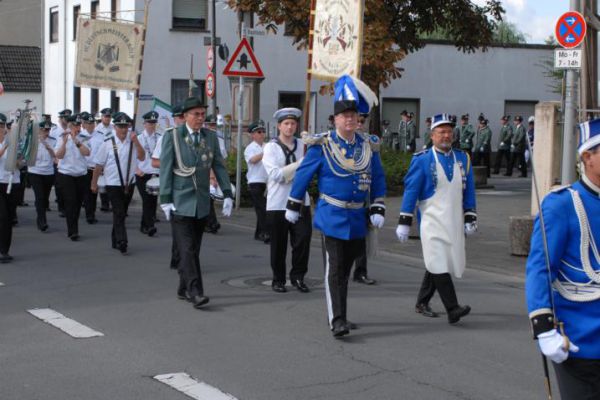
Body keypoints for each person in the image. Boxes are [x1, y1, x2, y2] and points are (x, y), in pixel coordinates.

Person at [286, 74, 386, 337]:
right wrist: (293, 204)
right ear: (335, 120)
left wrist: (377, 205)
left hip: (357, 218)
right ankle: (337, 320)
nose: (350, 120)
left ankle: (341, 313)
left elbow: (377, 177)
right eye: (344, 116)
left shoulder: (367, 147)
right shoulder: (323, 145)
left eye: (354, 116)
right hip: (332, 216)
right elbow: (304, 175)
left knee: (345, 271)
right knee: (335, 269)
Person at [525, 118, 600, 399]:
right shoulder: (562, 204)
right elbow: (540, 268)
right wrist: (543, 328)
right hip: (581, 338)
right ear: (586, 157)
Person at [396, 113, 475, 323]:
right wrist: (404, 220)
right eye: (441, 132)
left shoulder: (462, 158)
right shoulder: (422, 160)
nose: (446, 135)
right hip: (431, 220)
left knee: (440, 261)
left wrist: (470, 217)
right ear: (432, 135)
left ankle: (422, 301)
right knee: (438, 259)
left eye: (449, 131)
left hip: (454, 220)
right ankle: (452, 308)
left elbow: (469, 191)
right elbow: (411, 191)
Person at [159, 97, 233, 309]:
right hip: (180, 201)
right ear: (185, 117)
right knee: (187, 248)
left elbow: (218, 165)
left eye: (203, 114)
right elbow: (165, 168)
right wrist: (165, 199)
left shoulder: (209, 137)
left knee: (193, 249)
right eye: (196, 114)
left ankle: (184, 287)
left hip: (201, 202)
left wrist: (226, 193)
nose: (201, 118)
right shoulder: (172, 137)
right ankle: (196, 292)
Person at [262, 107, 312, 294]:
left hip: (300, 202)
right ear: (279, 126)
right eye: (286, 124)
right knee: (279, 244)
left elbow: (310, 171)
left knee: (303, 241)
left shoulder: (303, 145)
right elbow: (276, 175)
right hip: (278, 203)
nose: (290, 127)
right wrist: (301, 165)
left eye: (293, 124)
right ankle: (278, 279)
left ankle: (298, 277)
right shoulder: (271, 147)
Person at [92, 113, 144, 254]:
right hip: (113, 183)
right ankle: (122, 240)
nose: (123, 129)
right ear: (114, 127)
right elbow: (98, 165)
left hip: (129, 183)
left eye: (125, 126)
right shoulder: (107, 143)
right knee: (119, 211)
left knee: (121, 213)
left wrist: (137, 142)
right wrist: (94, 183)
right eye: (120, 126)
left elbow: (142, 156)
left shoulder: (133, 141)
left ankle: (115, 239)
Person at [152, 105, 184, 270]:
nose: (181, 120)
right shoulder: (167, 136)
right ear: (174, 119)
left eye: (183, 117)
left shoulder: (198, 136)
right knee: (178, 227)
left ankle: (184, 258)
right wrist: (173, 163)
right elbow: (155, 161)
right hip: (174, 187)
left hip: (191, 189)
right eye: (179, 117)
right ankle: (178, 258)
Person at [54, 114, 91, 241]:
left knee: (77, 203)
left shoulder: (84, 137)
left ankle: (73, 226)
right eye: (75, 125)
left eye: (78, 125)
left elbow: (87, 152)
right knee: (70, 201)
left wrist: (76, 140)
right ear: (69, 126)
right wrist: (65, 143)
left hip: (81, 174)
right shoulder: (62, 138)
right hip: (66, 174)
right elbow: (58, 156)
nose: (77, 127)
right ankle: (73, 231)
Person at [351, 112, 376, 285]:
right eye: (357, 121)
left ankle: (360, 271)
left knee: (361, 237)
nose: (359, 124)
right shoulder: (339, 140)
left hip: (363, 196)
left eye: (362, 121)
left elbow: (376, 171)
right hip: (346, 197)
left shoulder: (370, 142)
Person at [135, 111, 161, 236]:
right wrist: (136, 169)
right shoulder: (138, 139)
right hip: (142, 174)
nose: (152, 125)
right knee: (146, 200)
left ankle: (144, 224)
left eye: (154, 123)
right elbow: (131, 158)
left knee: (153, 200)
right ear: (144, 124)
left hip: (156, 173)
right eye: (149, 123)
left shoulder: (160, 138)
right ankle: (149, 226)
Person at [28, 121, 57, 232]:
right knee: (39, 197)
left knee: (44, 198)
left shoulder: (53, 141)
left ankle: (40, 214)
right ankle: (42, 221)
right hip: (35, 171)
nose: (46, 132)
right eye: (44, 130)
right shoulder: (32, 141)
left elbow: (55, 156)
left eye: (48, 130)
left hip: (48, 172)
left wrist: (46, 145)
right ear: (39, 130)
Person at [244, 120, 269, 243]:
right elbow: (253, 160)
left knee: (263, 209)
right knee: (262, 208)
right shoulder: (250, 148)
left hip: (266, 182)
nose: (262, 134)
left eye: (263, 132)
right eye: (259, 132)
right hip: (255, 182)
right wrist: (265, 153)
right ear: (253, 135)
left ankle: (259, 233)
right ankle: (265, 233)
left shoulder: (266, 146)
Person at [0, 113, 20, 263]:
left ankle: (5, 250)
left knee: (8, 218)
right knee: (2, 216)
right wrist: (6, 145)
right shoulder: (8, 143)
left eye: (2, 126)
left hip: (11, 183)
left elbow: (22, 162)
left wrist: (19, 160)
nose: (1, 129)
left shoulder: (13, 142)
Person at [80, 112, 101, 224]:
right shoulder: (80, 135)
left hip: (95, 168)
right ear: (84, 124)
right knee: (86, 192)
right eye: (88, 123)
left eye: (92, 123)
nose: (91, 125)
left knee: (93, 192)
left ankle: (91, 214)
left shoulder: (100, 136)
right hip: (84, 168)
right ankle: (88, 214)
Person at [51, 109, 71, 217]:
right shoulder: (54, 131)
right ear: (60, 119)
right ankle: (61, 207)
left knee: (67, 188)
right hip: (57, 161)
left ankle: (67, 206)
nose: (66, 121)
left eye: (68, 119)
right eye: (65, 118)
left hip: (68, 162)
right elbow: (51, 145)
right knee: (59, 186)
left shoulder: (72, 130)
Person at [95, 108, 114, 211]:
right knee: (102, 180)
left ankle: (110, 202)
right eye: (106, 116)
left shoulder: (113, 128)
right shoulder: (97, 129)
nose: (107, 118)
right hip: (102, 156)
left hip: (111, 157)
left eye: (109, 117)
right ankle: (104, 203)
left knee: (110, 180)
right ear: (102, 117)